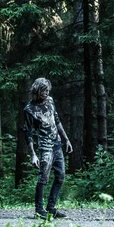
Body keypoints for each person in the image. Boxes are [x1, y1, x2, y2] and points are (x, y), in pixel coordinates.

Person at [23, 78, 73, 219]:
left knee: (61, 176)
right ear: (37, 90)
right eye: (44, 90)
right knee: (43, 177)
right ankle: (39, 209)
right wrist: (33, 154)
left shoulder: (50, 101)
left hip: (57, 144)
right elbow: (28, 133)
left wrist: (66, 139)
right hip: (45, 147)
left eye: (48, 90)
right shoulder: (29, 109)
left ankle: (50, 208)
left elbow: (57, 120)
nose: (47, 93)